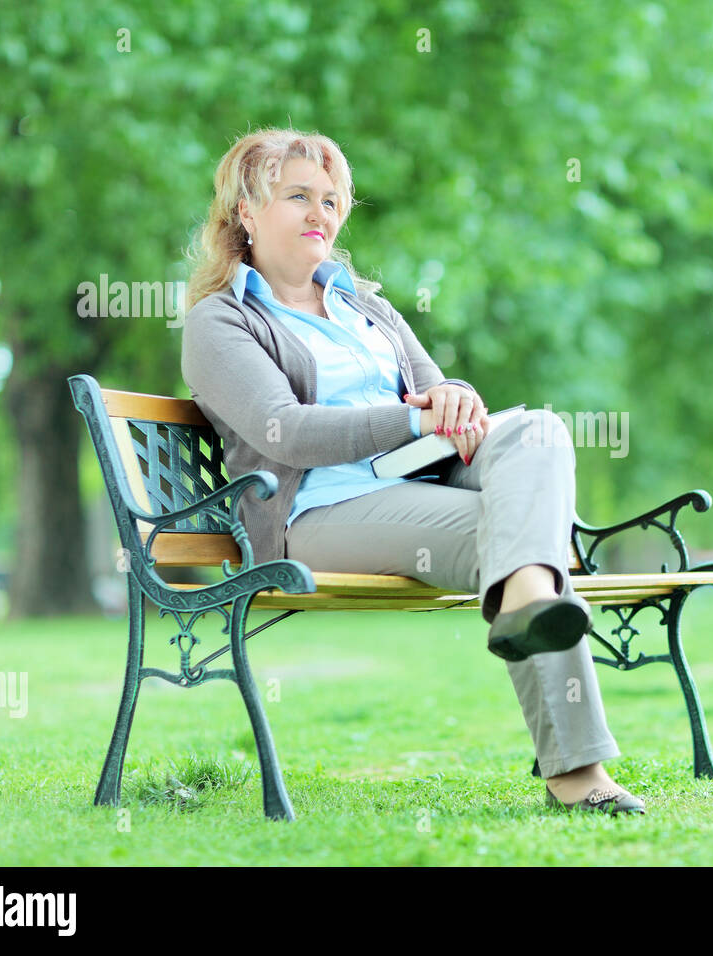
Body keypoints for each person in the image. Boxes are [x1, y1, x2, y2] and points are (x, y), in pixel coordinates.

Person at [180, 128, 644, 815]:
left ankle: (525, 602)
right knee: (520, 540)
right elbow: (288, 430)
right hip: (315, 515)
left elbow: (438, 397)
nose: (322, 213)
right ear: (245, 212)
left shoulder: (364, 306)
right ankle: (577, 774)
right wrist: (415, 420)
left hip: (418, 483)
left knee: (539, 431)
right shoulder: (221, 322)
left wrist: (452, 396)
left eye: (332, 199)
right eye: (298, 196)